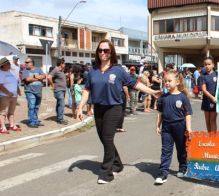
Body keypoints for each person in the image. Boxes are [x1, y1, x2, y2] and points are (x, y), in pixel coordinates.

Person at [76, 39, 160, 184]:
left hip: (114, 108)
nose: (103, 53)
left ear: (111, 52)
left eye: (106, 50)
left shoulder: (118, 70)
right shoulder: (93, 71)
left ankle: (106, 173)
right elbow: (87, 90)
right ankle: (117, 164)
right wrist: (80, 107)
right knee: (104, 139)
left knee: (107, 138)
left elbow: (135, 83)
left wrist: (151, 91)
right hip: (99, 108)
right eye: (100, 50)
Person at [155, 70, 192, 184]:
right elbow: (160, 113)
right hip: (166, 127)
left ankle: (183, 167)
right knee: (166, 150)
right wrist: (157, 126)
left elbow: (188, 113)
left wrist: (189, 128)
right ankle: (163, 173)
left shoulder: (183, 97)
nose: (167, 83)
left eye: (169, 81)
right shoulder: (163, 98)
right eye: (165, 81)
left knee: (181, 149)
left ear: (177, 81)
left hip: (180, 126)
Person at [21, 57, 46, 128]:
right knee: (31, 106)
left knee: (36, 107)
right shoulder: (25, 70)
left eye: (27, 62)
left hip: (38, 91)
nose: (25, 64)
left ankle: (35, 120)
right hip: (29, 91)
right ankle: (31, 122)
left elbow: (44, 76)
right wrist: (37, 77)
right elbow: (27, 79)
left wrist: (33, 77)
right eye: (25, 62)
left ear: (32, 63)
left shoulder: (38, 69)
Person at [0, 57, 22, 133]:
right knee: (3, 112)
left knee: (11, 112)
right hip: (5, 96)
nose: (10, 65)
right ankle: (2, 127)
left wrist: (18, 90)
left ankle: (12, 125)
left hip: (14, 96)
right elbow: (0, 85)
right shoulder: (1, 73)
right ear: (3, 65)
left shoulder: (9, 72)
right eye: (8, 64)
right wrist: (8, 93)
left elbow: (15, 82)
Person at [48, 58, 68, 125]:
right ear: (61, 64)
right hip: (58, 90)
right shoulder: (56, 69)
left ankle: (58, 117)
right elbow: (49, 77)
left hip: (62, 90)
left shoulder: (61, 70)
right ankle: (60, 119)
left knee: (59, 104)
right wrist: (52, 85)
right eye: (64, 63)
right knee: (61, 104)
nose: (64, 64)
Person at [201, 56, 218, 132]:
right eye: (205, 64)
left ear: (213, 65)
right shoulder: (203, 76)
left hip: (215, 101)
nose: (207, 66)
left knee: (212, 120)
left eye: (209, 64)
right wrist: (212, 97)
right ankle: (209, 138)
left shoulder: (217, 74)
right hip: (206, 101)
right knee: (207, 121)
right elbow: (204, 90)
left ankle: (214, 139)